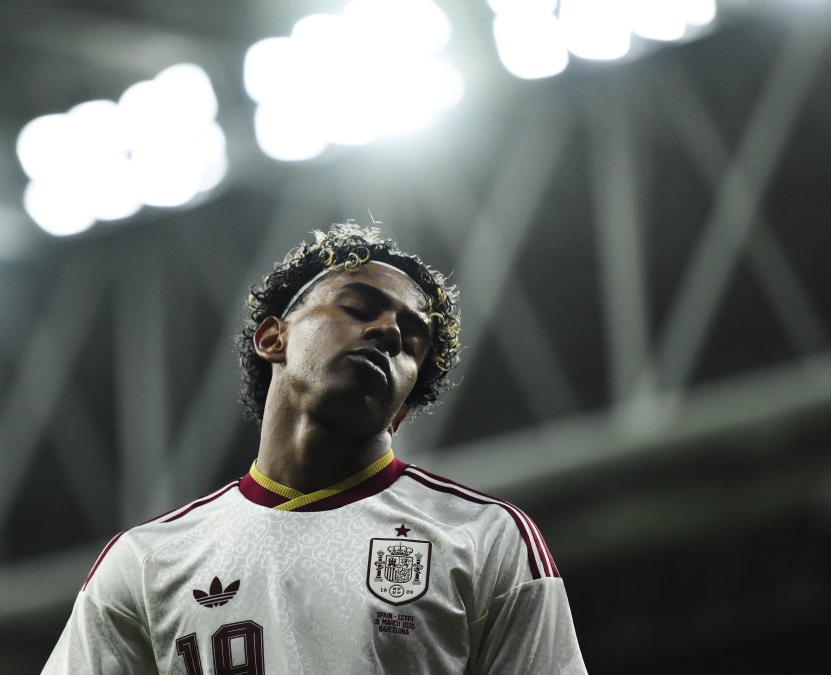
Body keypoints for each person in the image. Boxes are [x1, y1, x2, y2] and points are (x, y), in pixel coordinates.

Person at [43, 222, 587, 673]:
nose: (388, 332)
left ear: (401, 409)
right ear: (271, 338)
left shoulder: (484, 538)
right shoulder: (147, 560)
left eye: (411, 342)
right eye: (359, 307)